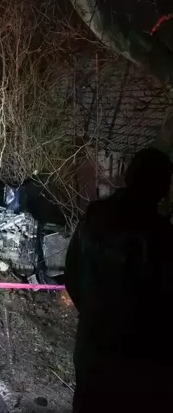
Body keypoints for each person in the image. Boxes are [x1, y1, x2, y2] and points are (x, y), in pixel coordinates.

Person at [64, 147, 173, 413]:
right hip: (139, 362)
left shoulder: (92, 222)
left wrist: (95, 318)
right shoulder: (162, 238)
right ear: (162, 189)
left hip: (92, 349)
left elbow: (72, 278)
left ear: (128, 176)